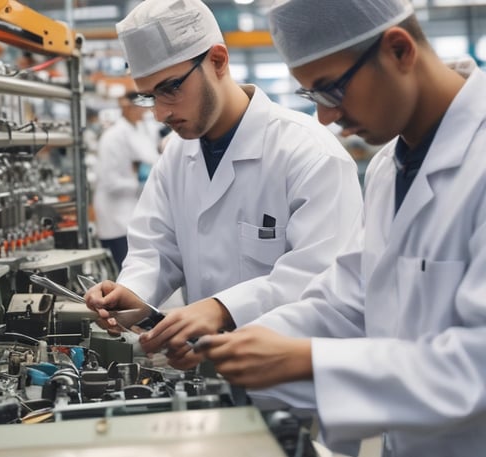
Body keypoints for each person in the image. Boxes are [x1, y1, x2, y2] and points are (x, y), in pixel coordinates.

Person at [194, 0, 486, 455]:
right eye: (313, 97)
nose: (326, 118)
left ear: (399, 50)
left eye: (331, 90)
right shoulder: (391, 165)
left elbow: (477, 364)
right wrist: (246, 344)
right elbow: (349, 299)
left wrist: (307, 361)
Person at [84, 0, 364, 369]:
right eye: (149, 96)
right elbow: (156, 248)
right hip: (211, 375)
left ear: (217, 60)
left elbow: (323, 281)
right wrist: (132, 292)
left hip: (298, 388)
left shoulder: (308, 152)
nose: (162, 113)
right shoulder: (175, 155)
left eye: (170, 88)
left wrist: (222, 309)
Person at [92, 90, 160, 271]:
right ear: (128, 107)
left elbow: (150, 158)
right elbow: (110, 181)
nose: (144, 112)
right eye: (140, 107)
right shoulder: (113, 136)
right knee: (125, 271)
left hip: (132, 210)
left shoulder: (138, 130)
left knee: (138, 267)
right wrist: (140, 184)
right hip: (115, 215)